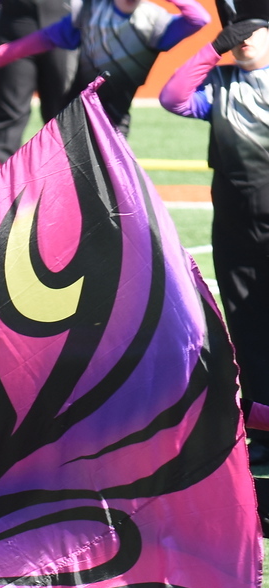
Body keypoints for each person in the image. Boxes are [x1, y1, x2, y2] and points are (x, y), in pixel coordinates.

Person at [159, 0, 269, 464]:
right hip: (235, 228)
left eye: (253, 30)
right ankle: (263, 432)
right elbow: (174, 97)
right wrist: (213, 47)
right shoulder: (221, 85)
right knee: (247, 327)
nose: (242, 38)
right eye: (235, 31)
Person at [0, 0, 209, 135]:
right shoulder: (91, 10)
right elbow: (47, 38)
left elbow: (199, 19)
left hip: (112, 124)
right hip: (72, 116)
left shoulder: (155, 23)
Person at [0, 0, 77, 161]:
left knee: (63, 113)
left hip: (63, 28)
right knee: (10, 114)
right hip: (15, 27)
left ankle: (68, 176)